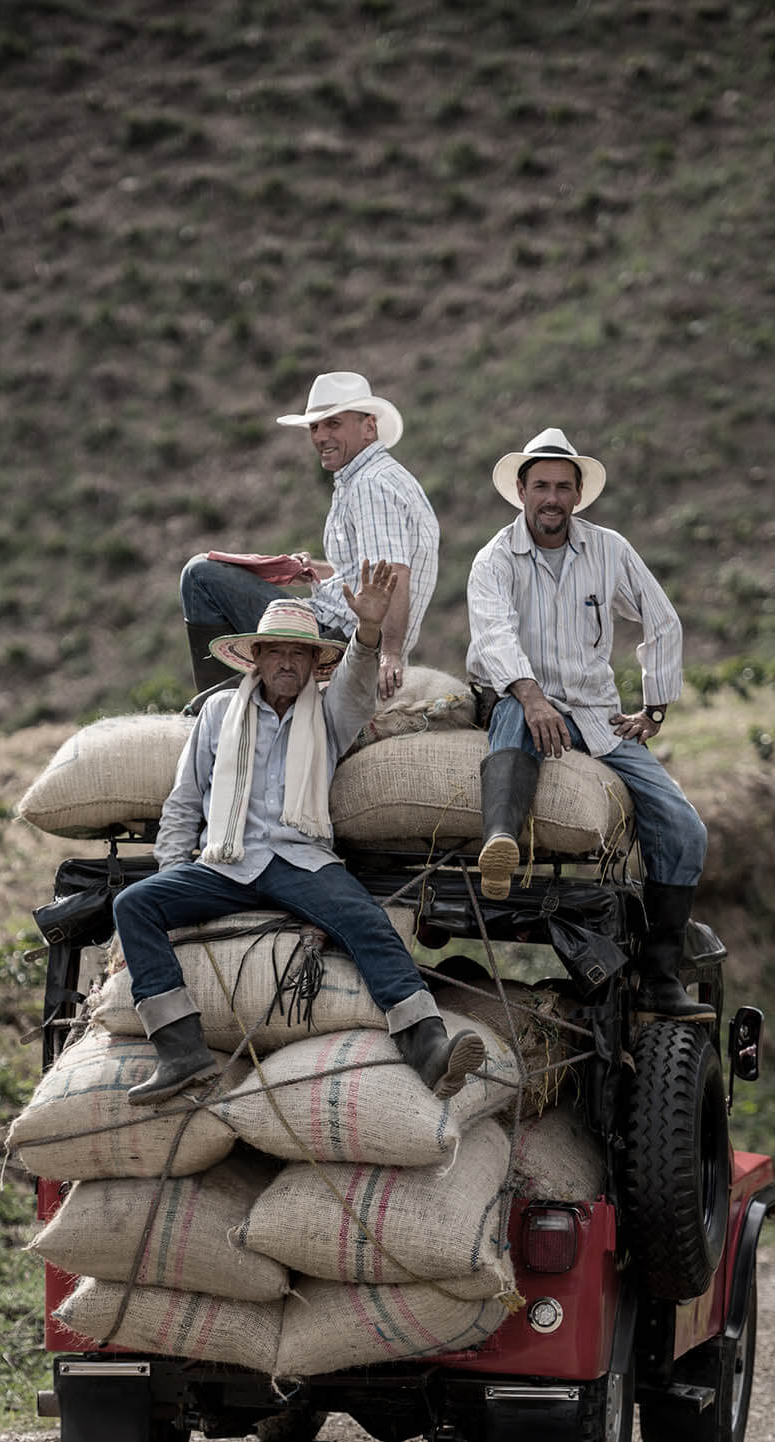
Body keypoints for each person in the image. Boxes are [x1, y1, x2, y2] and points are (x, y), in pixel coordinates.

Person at [114, 564, 484, 1106]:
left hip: (301, 861)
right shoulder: (219, 712)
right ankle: (180, 1050)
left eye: (298, 653)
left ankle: (428, 1048)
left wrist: (369, 630)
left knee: (369, 925)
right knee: (134, 904)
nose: (286, 663)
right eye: (275, 652)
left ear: (314, 663)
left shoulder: (330, 713)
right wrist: (175, 875)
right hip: (225, 863)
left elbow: (357, 684)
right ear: (257, 658)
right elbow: (185, 800)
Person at [466, 429, 712, 1023]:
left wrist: (655, 707)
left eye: (562, 487)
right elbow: (494, 636)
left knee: (685, 829)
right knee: (511, 712)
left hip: (598, 716)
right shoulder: (494, 559)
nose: (551, 498)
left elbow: (662, 620)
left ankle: (659, 979)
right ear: (521, 491)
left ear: (578, 495)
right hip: (522, 702)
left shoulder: (609, 550)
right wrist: (531, 696)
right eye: (541, 486)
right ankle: (499, 841)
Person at [179, 370, 440, 702]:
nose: (320, 436)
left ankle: (220, 705)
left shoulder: (369, 485)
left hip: (341, 639)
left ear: (369, 427)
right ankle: (240, 695)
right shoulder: (382, 477)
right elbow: (366, 572)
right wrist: (315, 570)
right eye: (315, 427)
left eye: (333, 424)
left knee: (199, 575)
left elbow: (392, 574)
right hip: (348, 631)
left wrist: (389, 652)